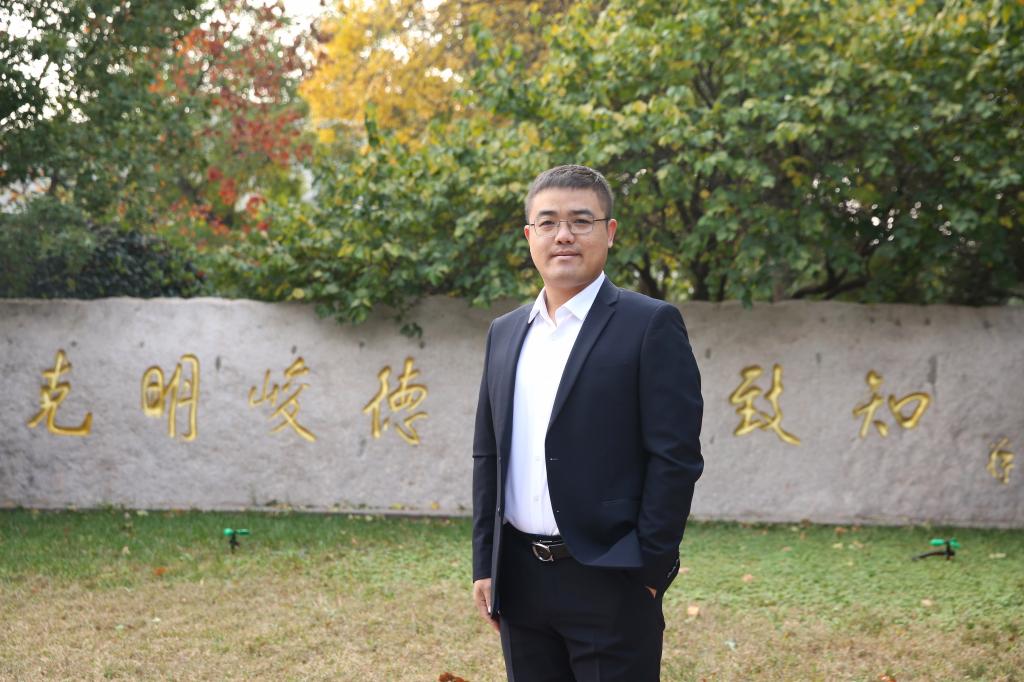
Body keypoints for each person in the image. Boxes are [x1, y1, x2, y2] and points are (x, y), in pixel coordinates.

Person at [471, 164, 704, 681]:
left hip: (611, 577)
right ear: (529, 235)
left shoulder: (649, 324)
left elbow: (676, 457)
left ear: (610, 232)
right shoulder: (505, 333)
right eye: (548, 222)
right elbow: (489, 453)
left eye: (581, 221)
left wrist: (648, 569)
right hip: (520, 578)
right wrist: (485, 564)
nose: (564, 235)